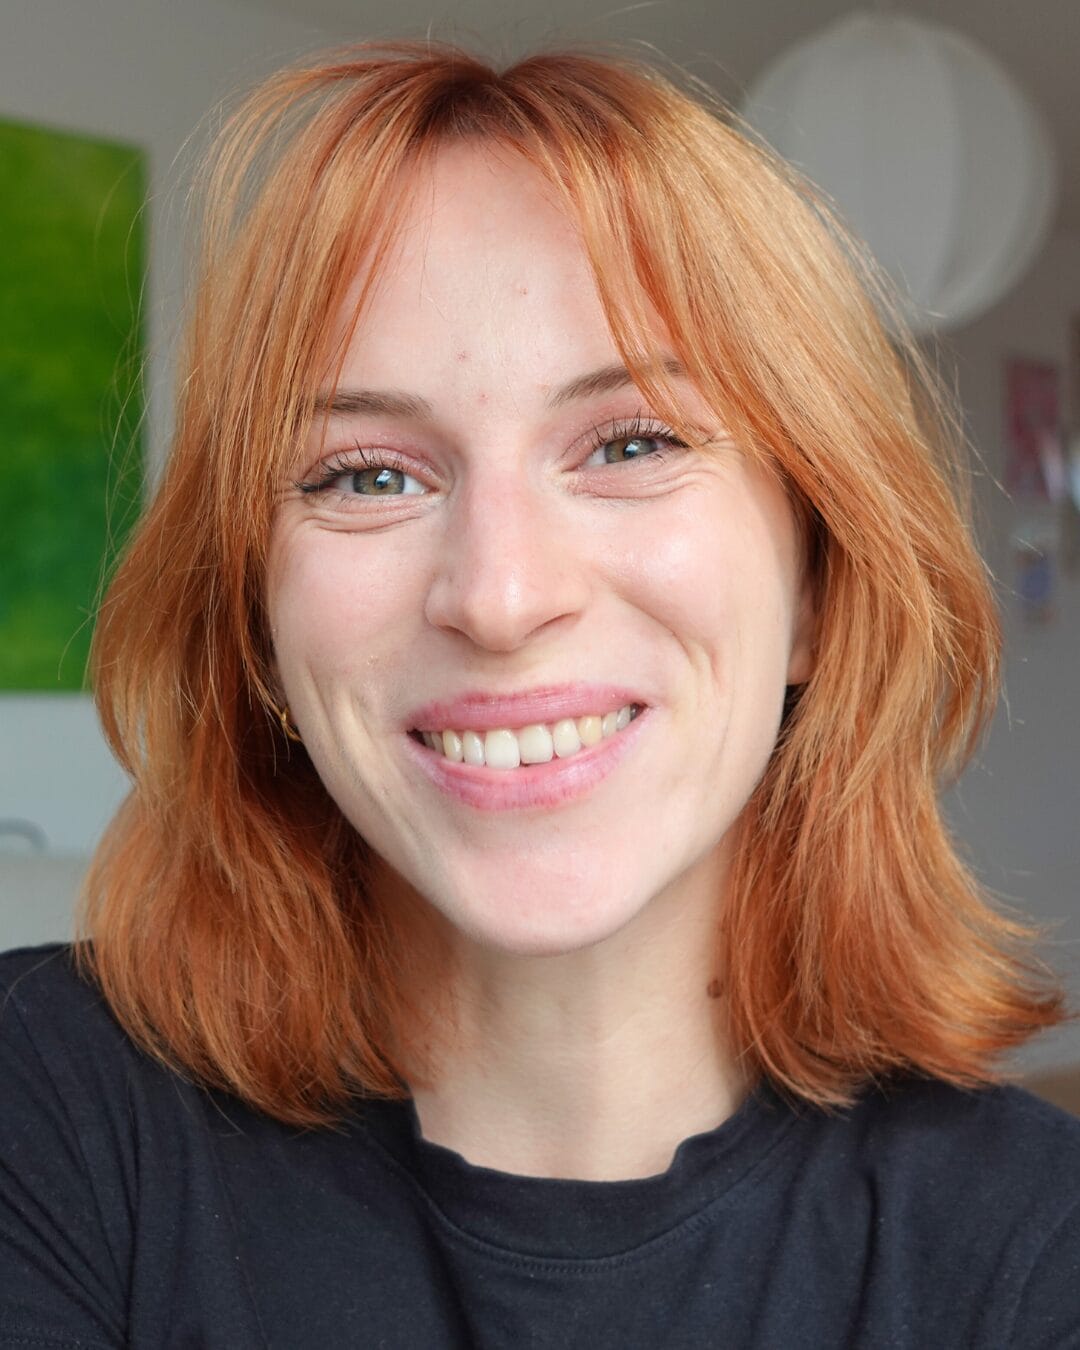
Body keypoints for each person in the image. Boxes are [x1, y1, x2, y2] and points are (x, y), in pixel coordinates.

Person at [1, 40, 1078, 1348]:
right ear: (260, 622)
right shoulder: (40, 1112)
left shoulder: (1036, 1246)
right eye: (368, 474)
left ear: (814, 584)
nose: (501, 597)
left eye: (630, 443)